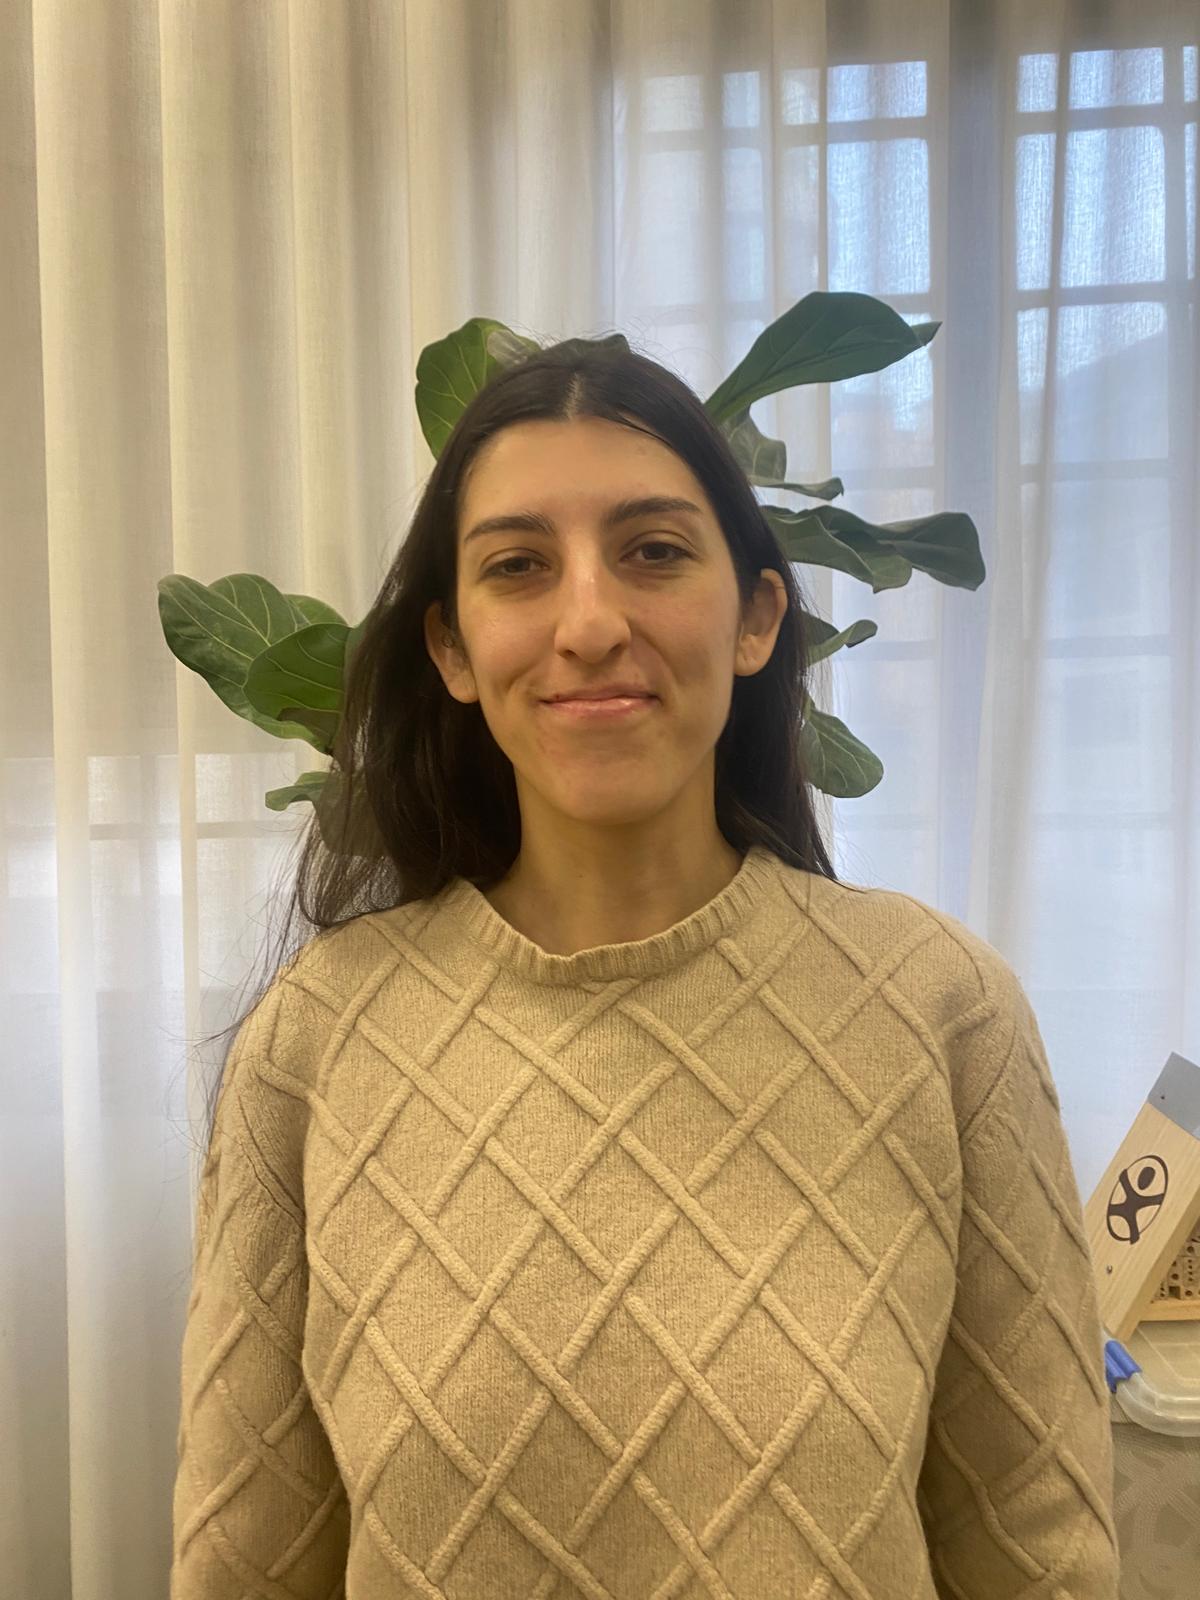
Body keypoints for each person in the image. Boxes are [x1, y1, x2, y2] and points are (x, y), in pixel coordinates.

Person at [169, 339, 1121, 1598]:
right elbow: (241, 1568)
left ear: (756, 619)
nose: (590, 624)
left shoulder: (944, 1012)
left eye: (655, 551)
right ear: (452, 650)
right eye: (518, 566)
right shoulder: (315, 1044)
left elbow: (1042, 1556)